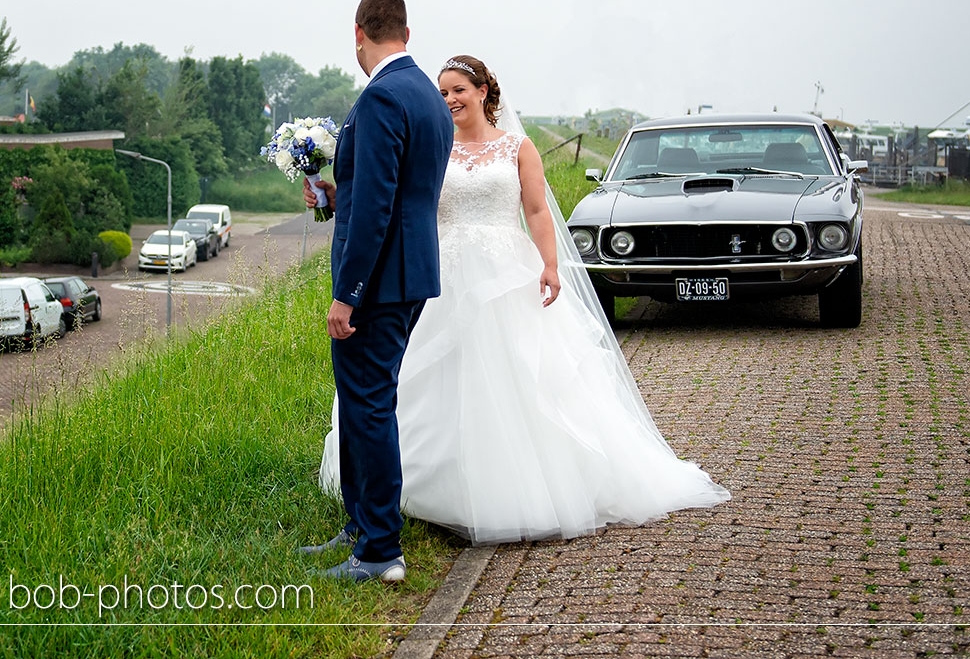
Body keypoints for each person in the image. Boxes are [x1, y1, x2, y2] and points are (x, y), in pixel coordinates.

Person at [309, 55, 729, 546]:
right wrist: (334, 197)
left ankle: (512, 487)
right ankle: (423, 488)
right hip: (438, 274)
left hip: (504, 273)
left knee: (515, 374)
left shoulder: (517, 147)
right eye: (443, 92)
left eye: (459, 90)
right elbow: (400, 200)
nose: (449, 100)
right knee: (427, 375)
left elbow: (535, 209)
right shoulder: (434, 146)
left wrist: (550, 265)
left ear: (484, 92)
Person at [297, 0, 454, 583]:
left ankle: (380, 549)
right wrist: (337, 190)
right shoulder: (425, 95)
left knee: (367, 405)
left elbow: (377, 211)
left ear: (358, 32)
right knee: (367, 399)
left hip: (379, 282)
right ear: (406, 34)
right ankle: (361, 523)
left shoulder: (383, 96)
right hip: (407, 274)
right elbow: (397, 191)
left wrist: (347, 292)